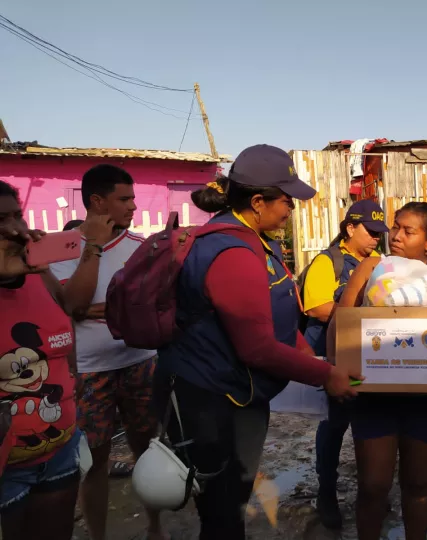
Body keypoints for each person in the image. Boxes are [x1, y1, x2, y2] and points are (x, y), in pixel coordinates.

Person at [153, 145, 360, 540]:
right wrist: (326, 375)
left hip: (238, 394)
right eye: (286, 200)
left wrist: (307, 354)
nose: (292, 208)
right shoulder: (231, 252)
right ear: (258, 202)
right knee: (223, 510)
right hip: (210, 402)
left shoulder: (256, 241)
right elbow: (256, 348)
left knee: (233, 497)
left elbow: (277, 316)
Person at [328, 202, 427, 540]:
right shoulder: (371, 267)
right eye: (395, 227)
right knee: (373, 486)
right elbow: (340, 324)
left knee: (417, 485)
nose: (396, 236)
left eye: (408, 231)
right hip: (373, 397)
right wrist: (334, 370)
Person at [50, 165, 165, 540]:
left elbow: (152, 306)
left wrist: (94, 310)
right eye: (124, 199)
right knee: (94, 461)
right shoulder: (60, 246)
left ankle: (155, 528)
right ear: (98, 202)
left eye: (133, 198)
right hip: (88, 370)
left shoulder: (142, 247)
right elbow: (73, 303)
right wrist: (94, 247)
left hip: (140, 363)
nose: (134, 206)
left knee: (147, 451)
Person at [0, 180, 83, 540]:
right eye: (0, 221)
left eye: (17, 216)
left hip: (59, 451)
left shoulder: (37, 274)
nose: (16, 230)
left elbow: (68, 314)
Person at [303, 200, 388, 529]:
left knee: (372, 424)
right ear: (350, 228)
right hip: (337, 357)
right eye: (370, 232)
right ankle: (326, 492)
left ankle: (373, 493)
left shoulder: (380, 262)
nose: (376, 239)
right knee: (335, 424)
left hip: (372, 355)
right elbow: (316, 307)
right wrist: (358, 315)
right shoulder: (328, 261)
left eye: (379, 233)